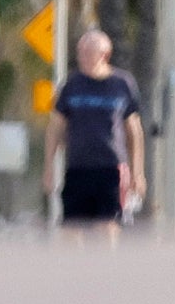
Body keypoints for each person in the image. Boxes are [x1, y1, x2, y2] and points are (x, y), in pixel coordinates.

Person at [48, 29, 148, 231]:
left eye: (87, 52)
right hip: (77, 169)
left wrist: (138, 172)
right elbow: (56, 127)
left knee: (108, 228)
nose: (82, 57)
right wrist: (49, 166)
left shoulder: (122, 84)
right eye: (80, 52)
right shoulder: (71, 85)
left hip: (112, 170)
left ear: (104, 55)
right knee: (71, 230)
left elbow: (134, 132)